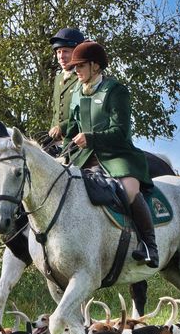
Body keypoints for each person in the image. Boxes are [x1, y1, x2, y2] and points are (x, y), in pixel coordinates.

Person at [52, 41, 158, 267]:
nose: (75, 70)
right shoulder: (77, 93)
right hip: (83, 157)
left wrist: (91, 138)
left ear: (95, 66)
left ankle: (149, 244)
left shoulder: (115, 91)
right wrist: (62, 151)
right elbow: (72, 129)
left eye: (80, 66)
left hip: (117, 156)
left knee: (128, 191)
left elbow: (121, 132)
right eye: (75, 66)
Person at [47, 27, 85, 141]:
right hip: (58, 141)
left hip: (80, 139)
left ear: (77, 53)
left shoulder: (84, 76)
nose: (61, 56)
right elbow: (56, 112)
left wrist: (62, 127)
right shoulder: (58, 78)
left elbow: (85, 112)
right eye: (58, 52)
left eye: (66, 51)